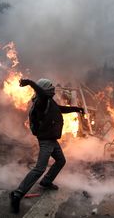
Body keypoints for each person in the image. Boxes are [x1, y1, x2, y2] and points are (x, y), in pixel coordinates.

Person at [9, 78, 84, 214]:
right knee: (39, 168)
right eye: (51, 87)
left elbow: (59, 109)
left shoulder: (49, 101)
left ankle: (46, 181)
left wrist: (76, 109)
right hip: (46, 140)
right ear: (45, 90)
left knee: (61, 161)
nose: (54, 89)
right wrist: (30, 83)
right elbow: (41, 93)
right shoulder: (41, 101)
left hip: (52, 140)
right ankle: (17, 194)